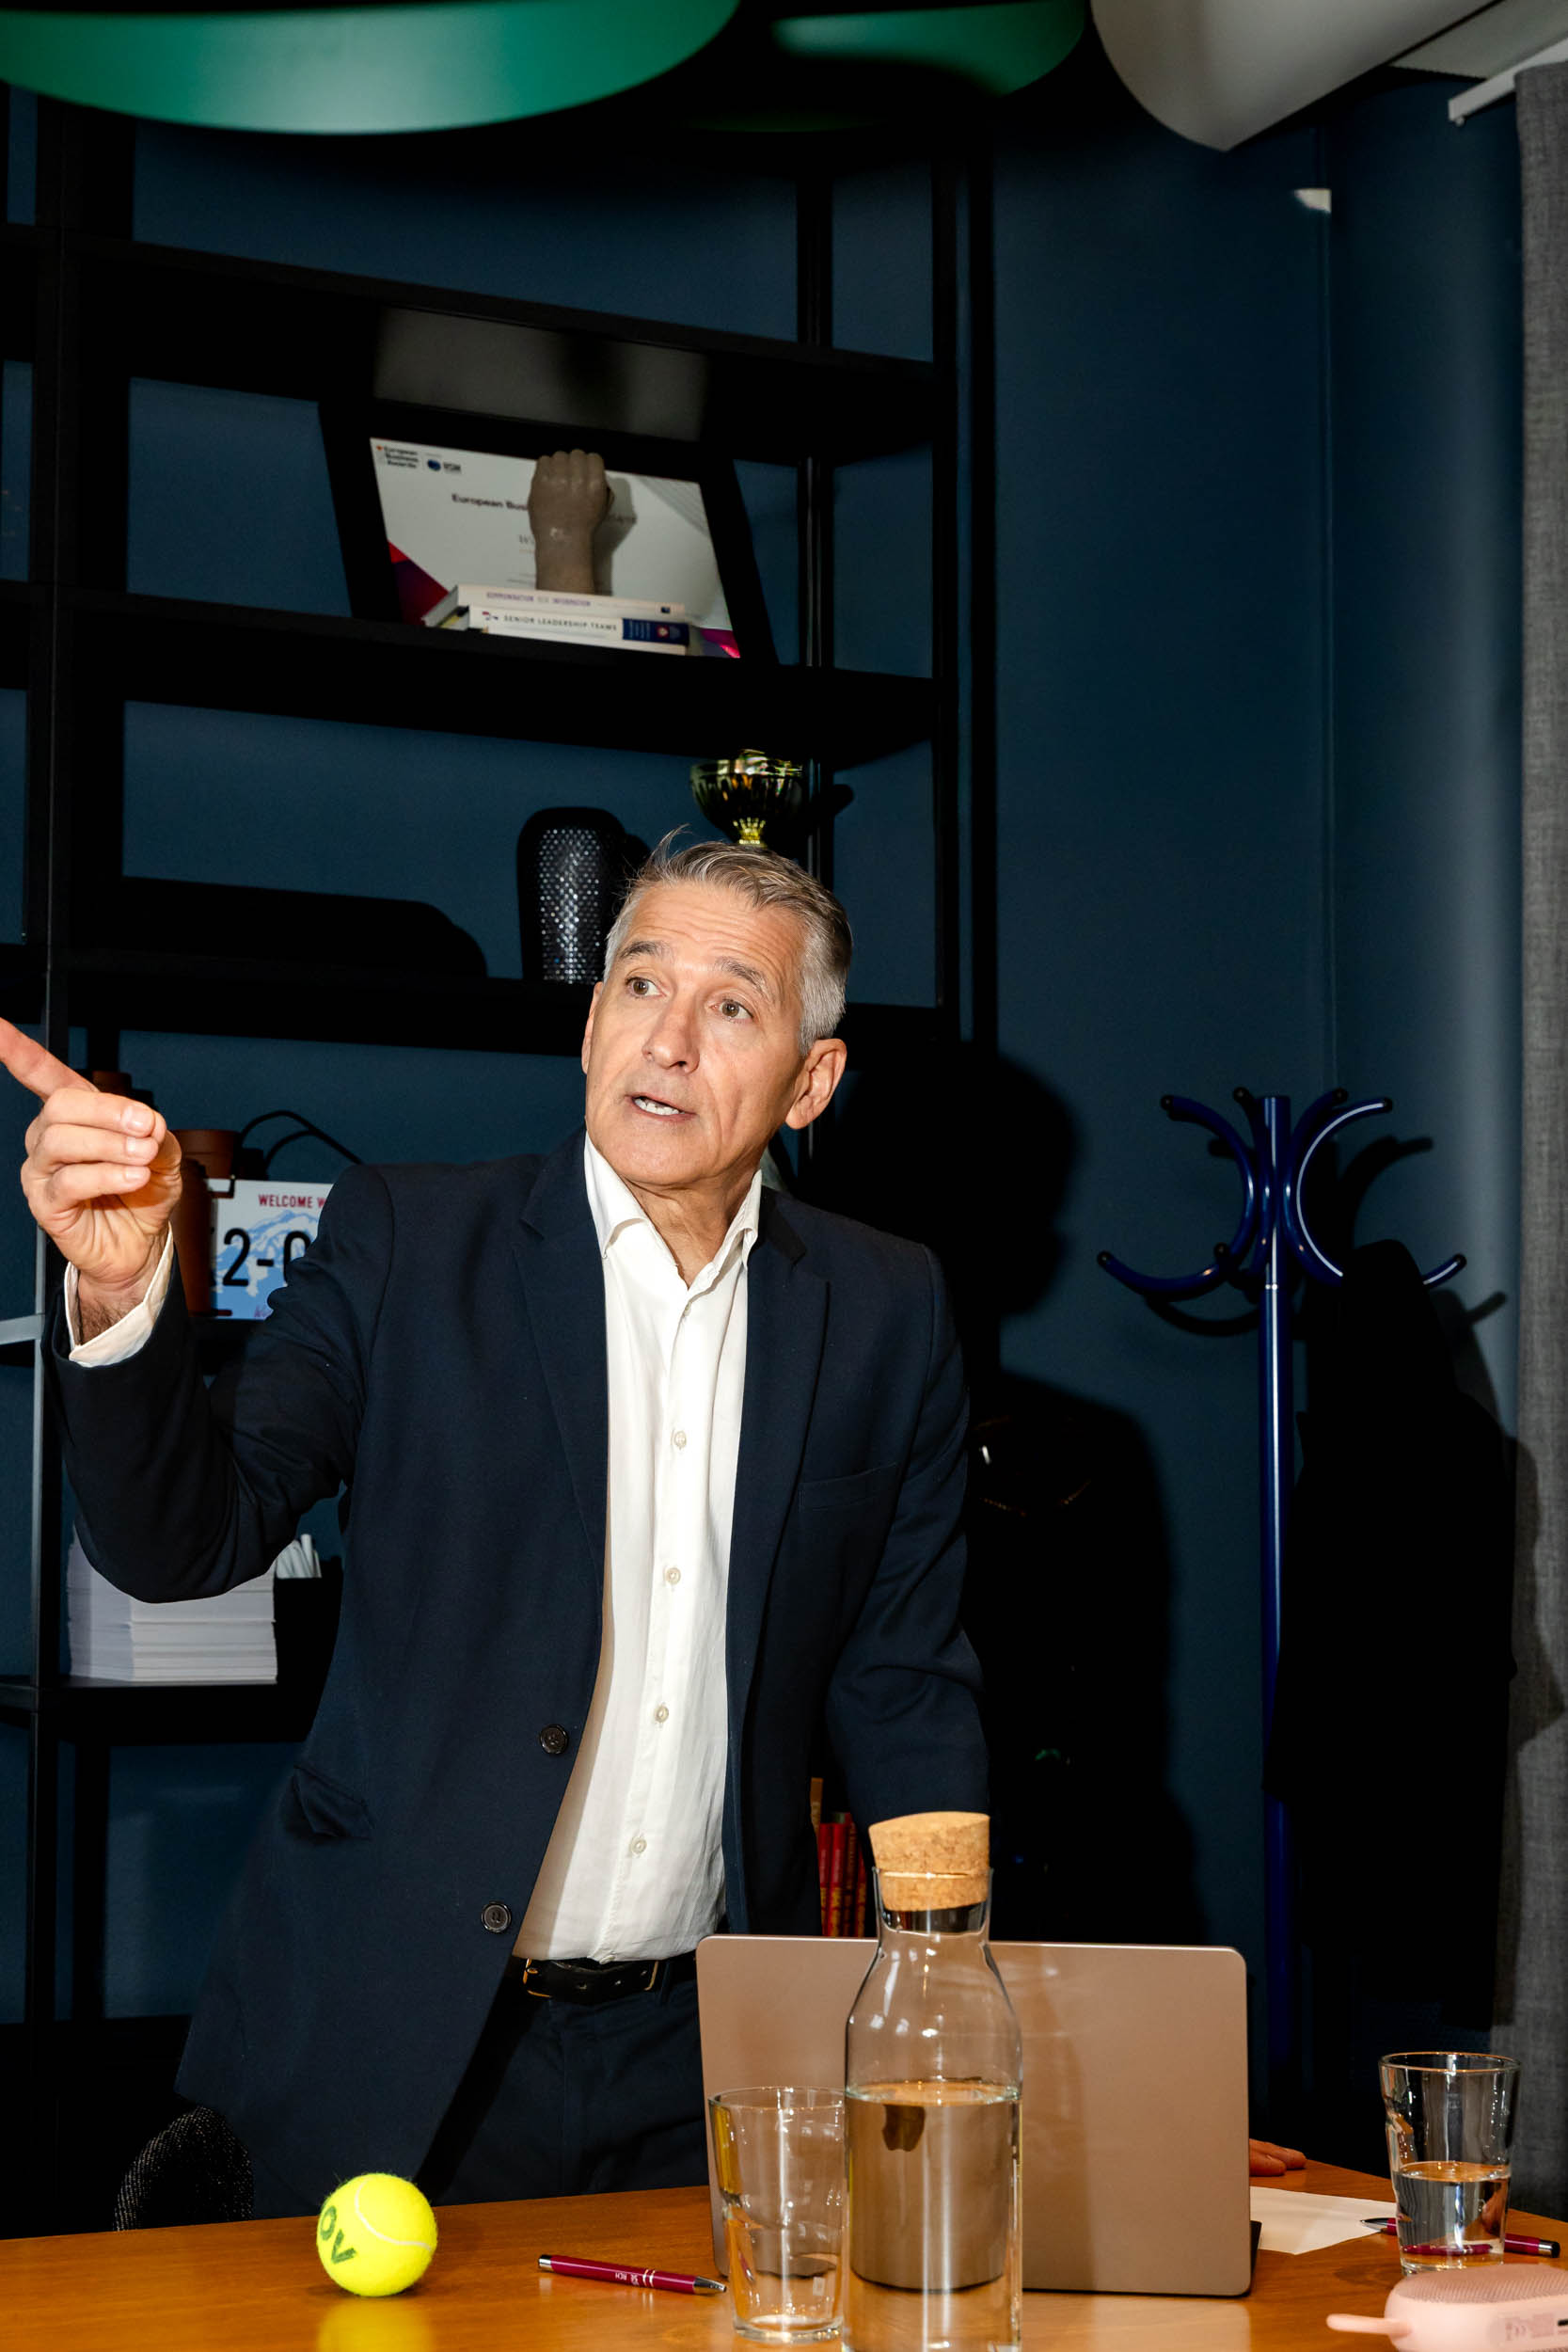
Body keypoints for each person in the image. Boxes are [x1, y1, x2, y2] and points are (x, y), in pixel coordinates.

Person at [1, 840, 989, 2215]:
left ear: (811, 1082)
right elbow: (181, 1547)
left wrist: (944, 1990)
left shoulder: (888, 1307)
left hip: (712, 2054)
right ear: (590, 1025)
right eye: (639, 983)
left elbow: (902, 1675)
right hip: (395, 2038)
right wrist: (122, 1300)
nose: (669, 1040)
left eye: (732, 1005)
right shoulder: (407, 1240)